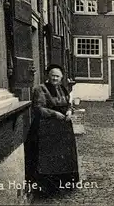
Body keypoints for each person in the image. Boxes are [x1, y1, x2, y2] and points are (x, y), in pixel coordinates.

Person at [25, 64, 79, 194]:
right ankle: (48, 187)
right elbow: (38, 108)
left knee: (63, 156)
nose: (55, 78)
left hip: (62, 128)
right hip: (46, 128)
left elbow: (68, 104)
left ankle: (63, 184)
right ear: (48, 76)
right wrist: (55, 114)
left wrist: (69, 111)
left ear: (61, 77)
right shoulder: (40, 89)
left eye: (57, 76)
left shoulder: (63, 88)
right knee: (48, 157)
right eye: (52, 75)